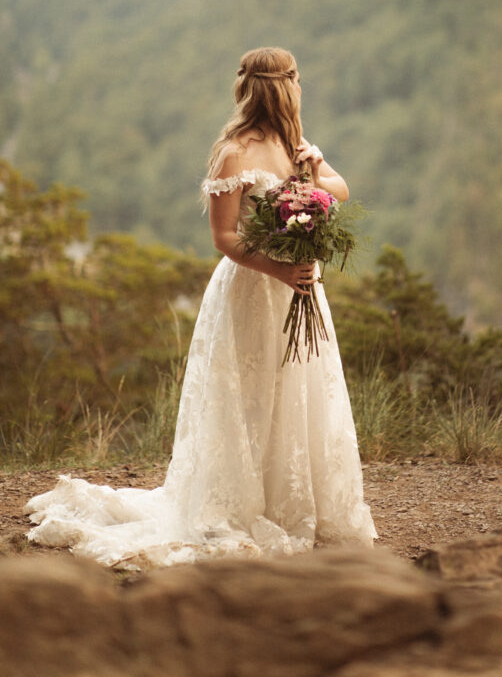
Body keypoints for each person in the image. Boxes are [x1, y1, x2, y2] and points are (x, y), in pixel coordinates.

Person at [25, 47, 376, 568]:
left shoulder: (294, 145)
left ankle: (295, 503)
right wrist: (280, 269)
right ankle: (236, 505)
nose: (302, 88)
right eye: (297, 80)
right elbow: (224, 236)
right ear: (281, 87)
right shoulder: (233, 153)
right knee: (249, 396)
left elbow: (339, 192)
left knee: (298, 393)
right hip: (254, 291)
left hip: (301, 290)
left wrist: (317, 168)